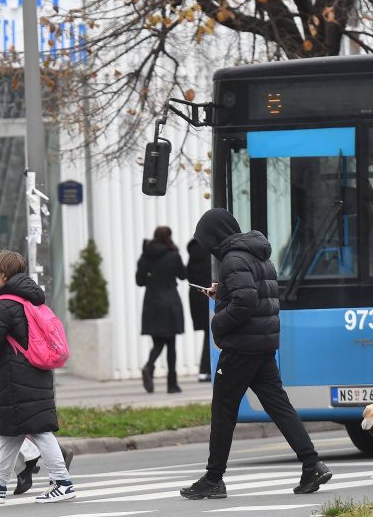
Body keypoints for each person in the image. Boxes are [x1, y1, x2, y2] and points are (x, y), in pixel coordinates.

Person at [181, 209, 331, 500]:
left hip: (240, 347)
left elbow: (246, 300)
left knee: (223, 411)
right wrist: (221, 293)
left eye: (206, 240)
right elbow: (256, 295)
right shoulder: (257, 254)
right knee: (279, 406)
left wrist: (217, 319)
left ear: (214, 237)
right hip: (262, 346)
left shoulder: (232, 259)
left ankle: (213, 479)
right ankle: (312, 464)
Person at [0, 251, 76, 504]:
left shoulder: (5, 304)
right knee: (11, 432)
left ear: (5, 275)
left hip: (16, 376)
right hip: (33, 372)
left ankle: (62, 482)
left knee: (38, 430)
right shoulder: (31, 298)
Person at [137, 226, 187, 394]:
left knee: (158, 341)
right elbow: (182, 275)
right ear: (169, 237)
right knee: (170, 343)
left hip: (151, 302)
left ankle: (149, 367)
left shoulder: (145, 256)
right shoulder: (173, 255)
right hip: (170, 301)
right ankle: (172, 384)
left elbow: (140, 281)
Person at [188, 239, 213, 382]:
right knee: (211, 334)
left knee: (207, 334)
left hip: (195, 300)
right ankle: (205, 370)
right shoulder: (211, 255)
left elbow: (187, 276)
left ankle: (204, 370)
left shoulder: (192, 256)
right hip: (209, 296)